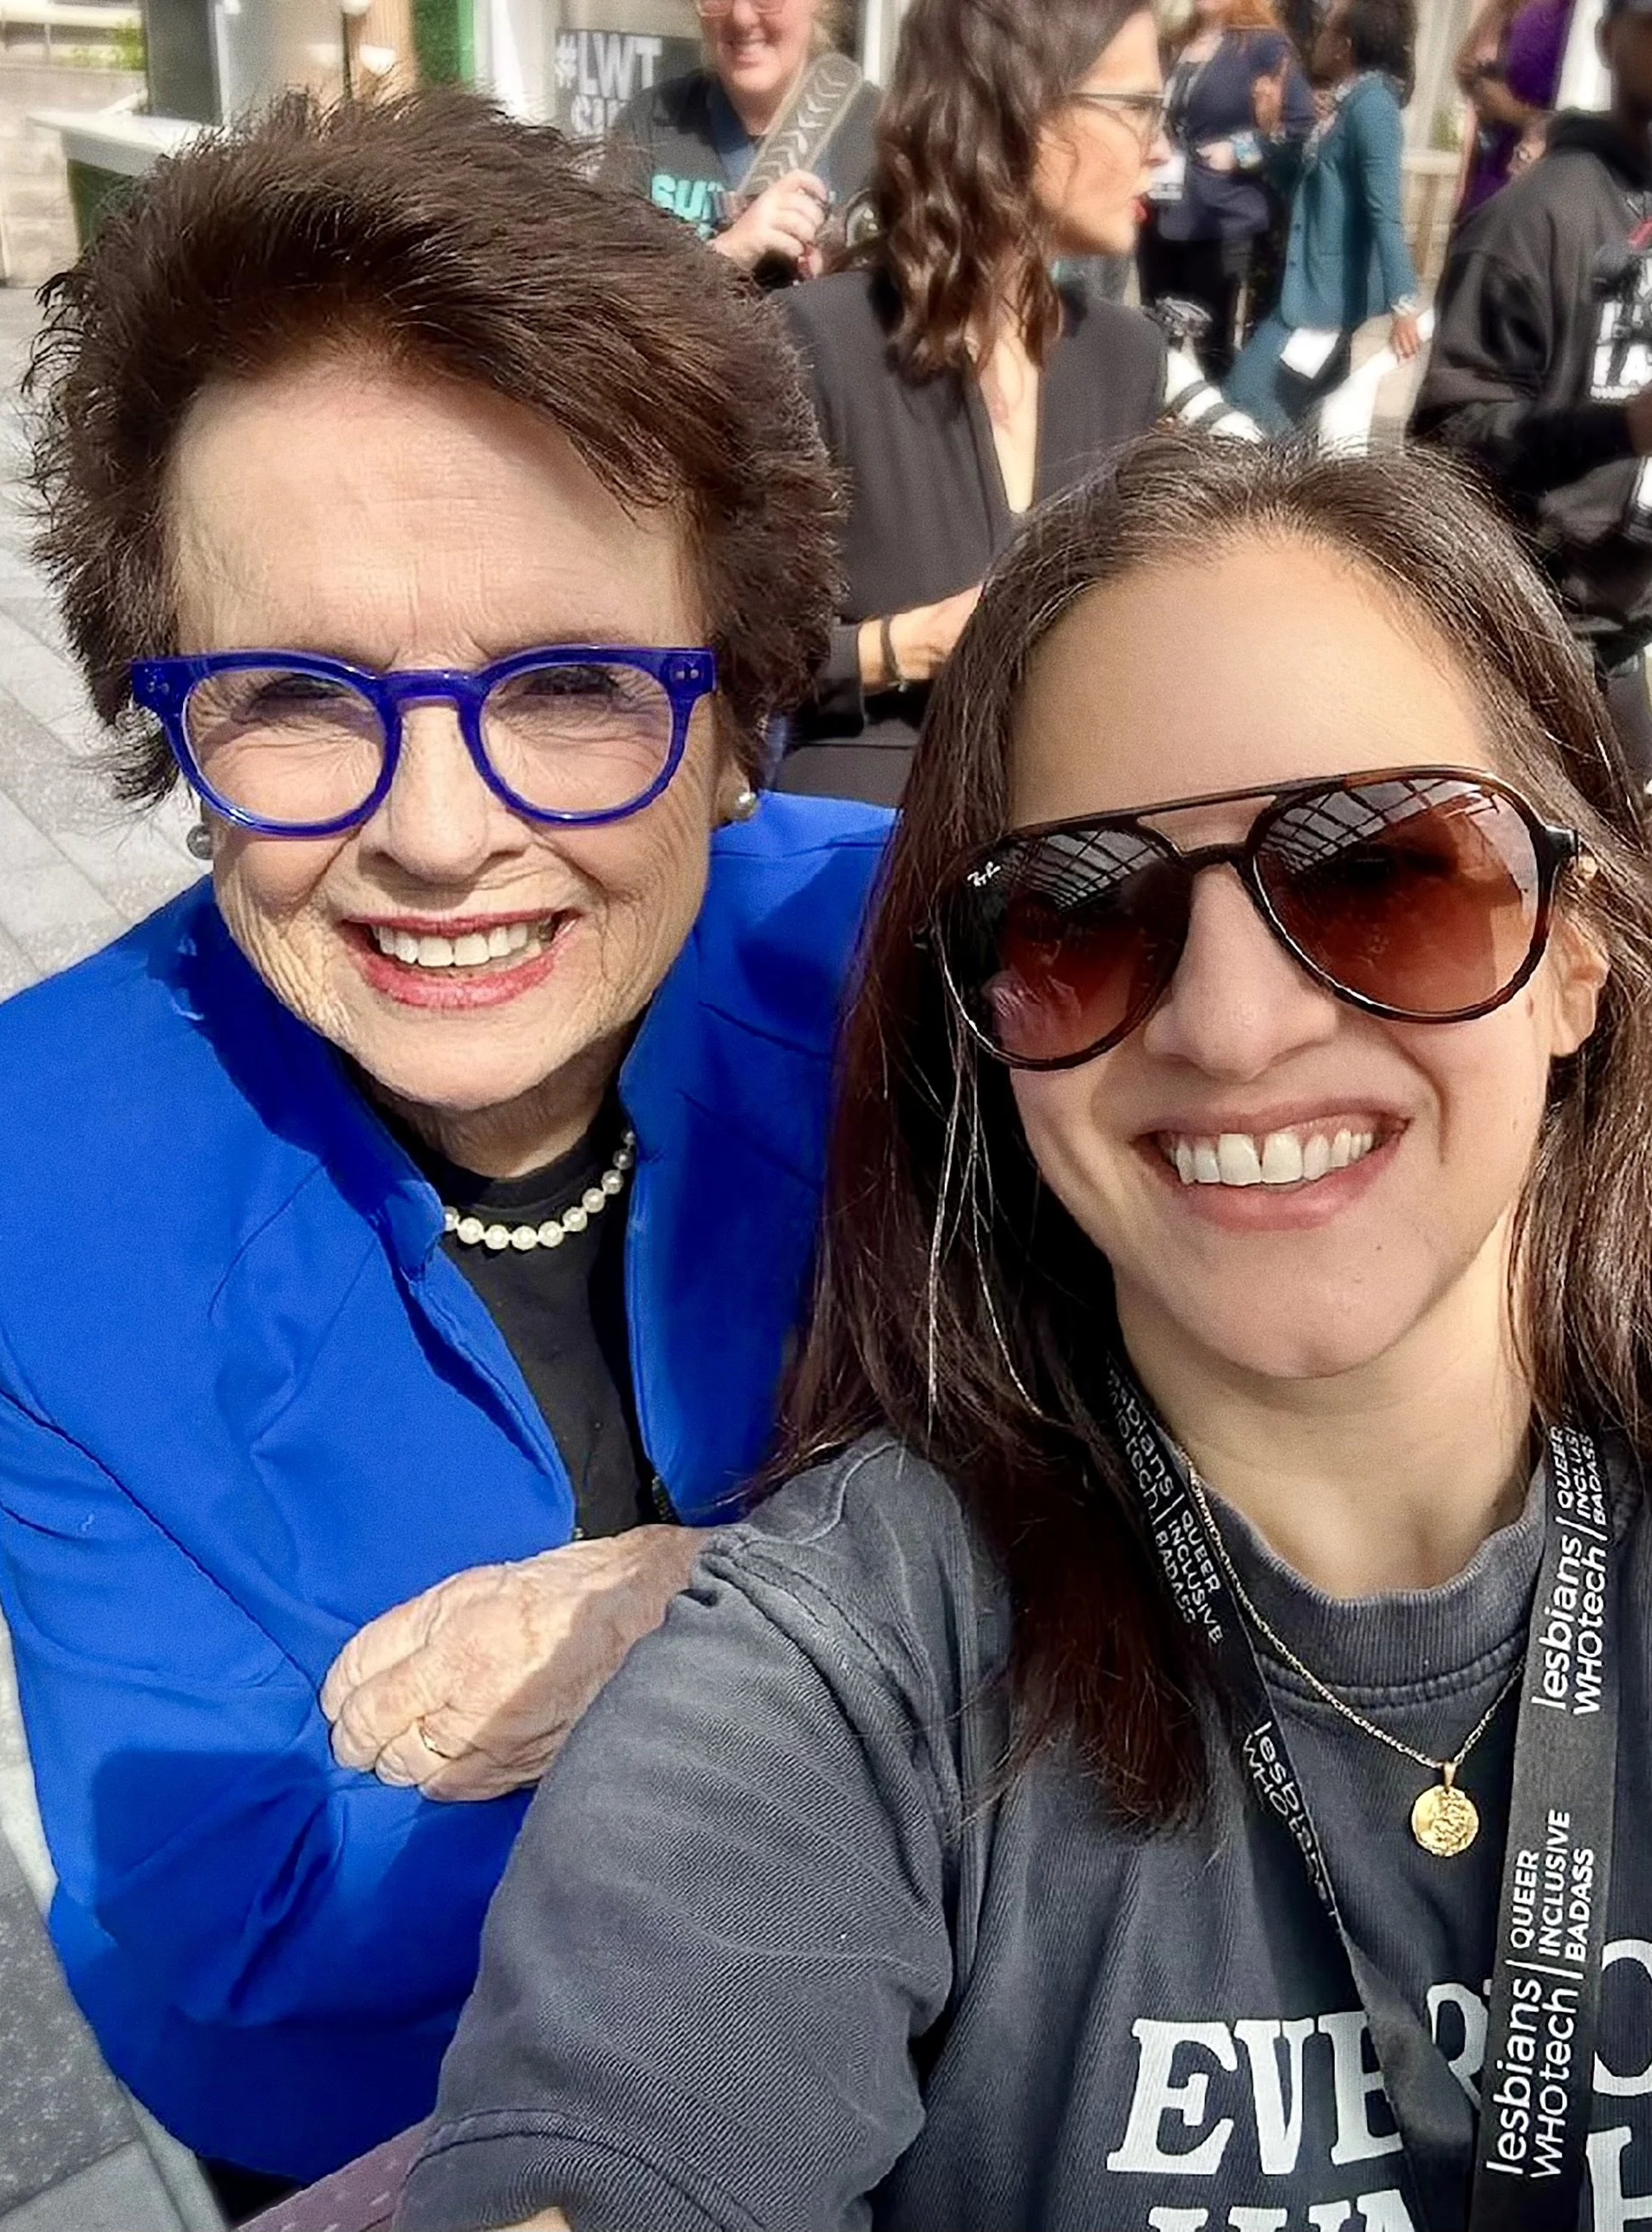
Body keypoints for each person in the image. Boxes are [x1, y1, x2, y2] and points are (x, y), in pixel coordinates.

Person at [396, 433, 1652, 2232]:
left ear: (1577, 947)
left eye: (1384, 872)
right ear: (983, 1020)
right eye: (1083, 914)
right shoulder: (854, 1671)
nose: (1233, 1025)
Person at [0, 88, 888, 2207]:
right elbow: (238, 1896)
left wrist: (709, 1608)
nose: (438, 827)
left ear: (743, 711)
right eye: (296, 693)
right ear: (167, 723)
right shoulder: (38, 1172)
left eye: (569, 679)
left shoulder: (920, 969)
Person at [772, 0, 1169, 808]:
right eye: (1140, 110)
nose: (1162, 150)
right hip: (854, 859)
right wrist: (908, 646)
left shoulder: (1126, 357)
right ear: (1024, 106)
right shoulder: (820, 338)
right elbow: (729, 655)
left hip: (1061, 844)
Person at [1412, 0, 1652, 795]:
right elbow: (1447, 445)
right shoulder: (1531, 221)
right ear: (1611, 40)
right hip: (1556, 650)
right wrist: (1618, 427)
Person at [1222, 0, 1422, 433]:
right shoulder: (1345, 106)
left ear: (1345, 47)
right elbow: (1302, 176)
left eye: (1328, 31)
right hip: (1310, 287)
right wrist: (1262, 134)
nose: (1318, 38)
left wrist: (1403, 303)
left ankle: (1301, 483)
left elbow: (1384, 210)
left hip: (1321, 300)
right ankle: (1314, 480)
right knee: (1312, 410)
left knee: (1247, 392)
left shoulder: (1373, 110)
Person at [603, 0, 879, 285]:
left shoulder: (883, 133)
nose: (742, 17)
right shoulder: (650, 122)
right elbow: (604, 295)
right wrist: (730, 252)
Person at [1139, 0, 1315, 381]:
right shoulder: (1175, 41)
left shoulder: (1263, 46)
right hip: (1161, 206)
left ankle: (1221, 431)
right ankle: (1154, 428)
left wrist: (1240, 151)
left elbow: (1301, 124)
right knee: (1154, 333)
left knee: (1210, 344)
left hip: (1222, 215)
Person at [1453, 0, 1572, 222]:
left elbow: (1572, 119)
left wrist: (1514, 111)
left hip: (1532, 182)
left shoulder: (1570, 20)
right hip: (1489, 170)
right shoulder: (1506, 10)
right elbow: (1464, 63)